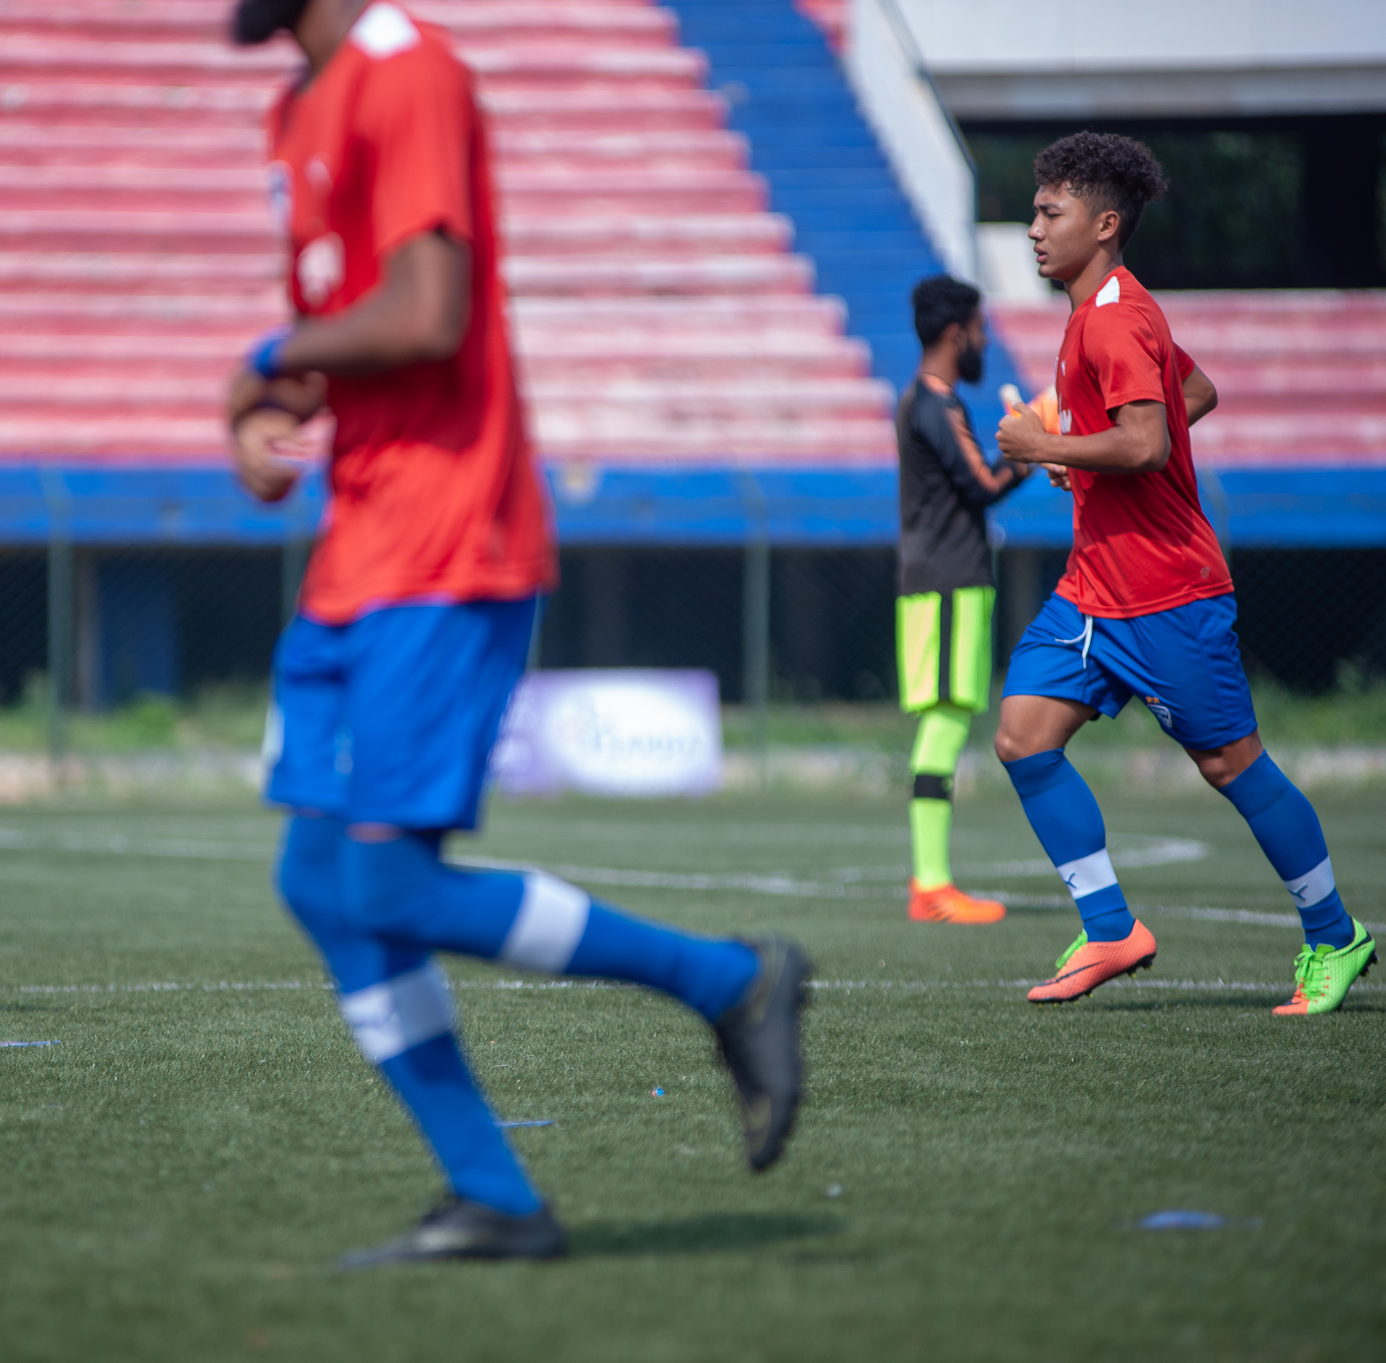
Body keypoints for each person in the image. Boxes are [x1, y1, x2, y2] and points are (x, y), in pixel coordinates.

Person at [225, 0, 812, 1265]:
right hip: (358, 546)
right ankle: (494, 1194)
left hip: (447, 541)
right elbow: (357, 332)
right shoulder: (298, 101)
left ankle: (729, 981)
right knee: (317, 882)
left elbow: (429, 312)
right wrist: (274, 406)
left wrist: (265, 353)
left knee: (378, 879)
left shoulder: (407, 69)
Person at [994, 132, 1373, 1014]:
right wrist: (1089, 458)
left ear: (1105, 222)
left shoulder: (1117, 317)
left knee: (1234, 766)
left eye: (1051, 213)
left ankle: (1334, 935)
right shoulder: (1109, 308)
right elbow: (1194, 392)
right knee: (1021, 736)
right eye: (1036, 210)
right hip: (1094, 589)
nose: (1034, 229)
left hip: (1167, 593)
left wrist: (1046, 444)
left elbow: (1152, 435)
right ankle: (1111, 927)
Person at [895, 275, 1030, 924]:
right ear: (956, 333)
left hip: (939, 578)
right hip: (948, 580)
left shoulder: (924, 400)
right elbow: (982, 484)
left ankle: (931, 881)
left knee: (945, 717)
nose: (982, 342)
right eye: (978, 330)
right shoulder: (938, 404)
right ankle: (931, 883)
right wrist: (1034, 448)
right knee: (945, 719)